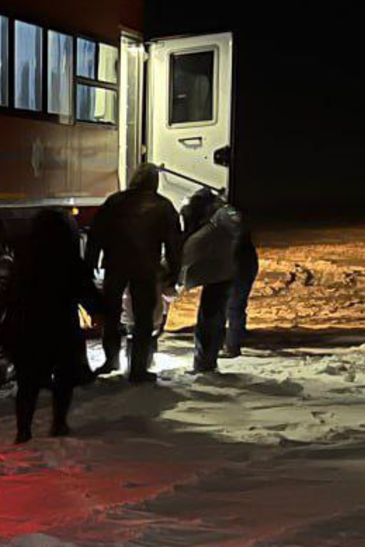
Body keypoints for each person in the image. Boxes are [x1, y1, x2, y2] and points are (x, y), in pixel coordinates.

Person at [85, 163, 183, 383]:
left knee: (111, 314)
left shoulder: (114, 202)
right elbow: (174, 244)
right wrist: (173, 272)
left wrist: (91, 261)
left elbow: (96, 233)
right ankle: (138, 369)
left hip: (115, 265)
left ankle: (111, 360)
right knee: (143, 319)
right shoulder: (163, 206)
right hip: (145, 268)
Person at [10, 209, 101, 443]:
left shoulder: (24, 259)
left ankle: (23, 430)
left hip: (27, 327)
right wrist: (100, 313)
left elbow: (11, 295)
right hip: (61, 326)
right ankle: (59, 422)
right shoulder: (69, 259)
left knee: (28, 382)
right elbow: (86, 291)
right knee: (64, 377)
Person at [179, 188, 245, 373]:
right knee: (214, 315)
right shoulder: (213, 223)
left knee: (215, 316)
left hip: (227, 271)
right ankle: (208, 360)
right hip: (223, 271)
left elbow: (238, 224)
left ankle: (206, 363)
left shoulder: (223, 215)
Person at [225, 214, 259, 358]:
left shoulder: (235, 243)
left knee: (234, 308)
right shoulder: (244, 243)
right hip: (245, 269)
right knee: (237, 307)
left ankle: (233, 345)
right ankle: (236, 338)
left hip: (238, 272)